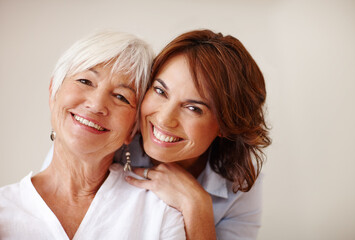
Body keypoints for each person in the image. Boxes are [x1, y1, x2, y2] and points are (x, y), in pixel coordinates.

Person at [0, 31, 185, 240]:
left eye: (121, 97)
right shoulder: (4, 209)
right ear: (54, 92)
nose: (97, 105)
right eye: (85, 81)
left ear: (132, 129)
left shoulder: (159, 212)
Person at [123, 29, 271, 240]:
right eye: (160, 91)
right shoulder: (114, 142)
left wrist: (196, 206)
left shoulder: (240, 184)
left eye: (193, 108)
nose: (165, 119)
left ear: (225, 125)